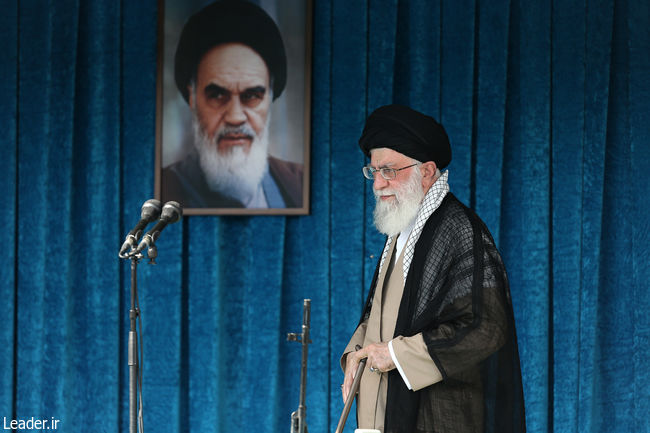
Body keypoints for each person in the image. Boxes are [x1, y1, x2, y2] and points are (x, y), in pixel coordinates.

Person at [340, 105, 525, 433]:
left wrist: (397, 355)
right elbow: (381, 314)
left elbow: (486, 327)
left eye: (389, 171)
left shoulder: (459, 229)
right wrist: (357, 352)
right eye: (373, 172)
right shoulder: (401, 227)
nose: (378, 184)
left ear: (426, 172)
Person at [162, 0, 303, 209]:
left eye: (252, 96)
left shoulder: (298, 182)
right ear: (192, 97)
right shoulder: (162, 190)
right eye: (218, 95)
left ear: (270, 97)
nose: (235, 117)